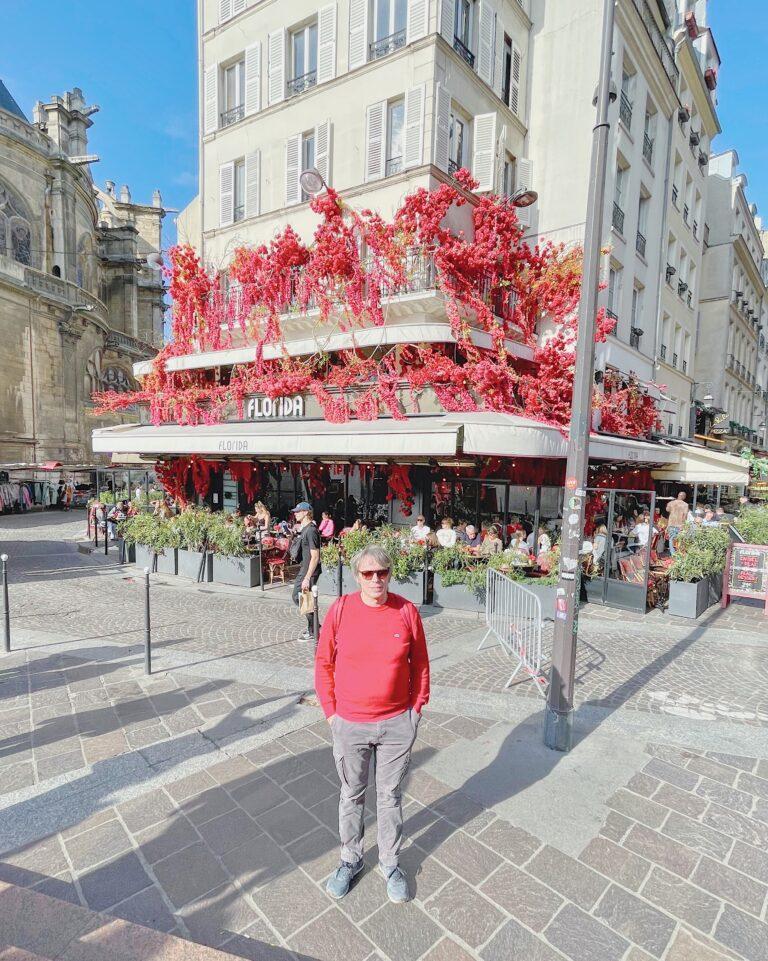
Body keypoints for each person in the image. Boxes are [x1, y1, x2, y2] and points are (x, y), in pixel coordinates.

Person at [315, 545, 430, 904]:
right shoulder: (341, 610)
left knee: (390, 795)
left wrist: (415, 711)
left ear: (390, 574)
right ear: (357, 577)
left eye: (382, 572)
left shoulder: (406, 611)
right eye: (368, 573)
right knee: (351, 794)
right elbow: (323, 664)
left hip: (396, 723)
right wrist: (332, 712)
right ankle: (350, 859)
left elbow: (421, 666)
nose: (376, 579)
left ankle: (391, 863)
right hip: (350, 722)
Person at [291, 502, 322, 641]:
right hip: (305, 569)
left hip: (309, 571)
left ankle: (314, 630)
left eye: (298, 511)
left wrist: (307, 578)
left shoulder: (311, 531)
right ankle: (314, 628)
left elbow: (315, 556)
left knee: (302, 598)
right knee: (302, 598)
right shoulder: (305, 529)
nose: (295, 513)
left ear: (305, 513)